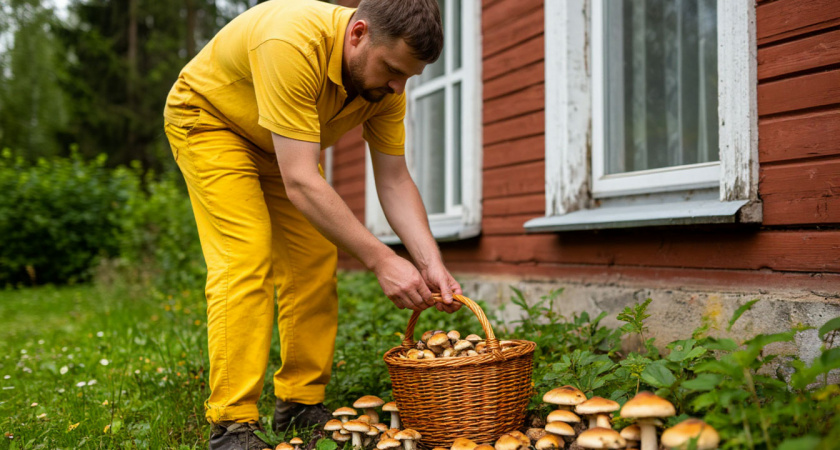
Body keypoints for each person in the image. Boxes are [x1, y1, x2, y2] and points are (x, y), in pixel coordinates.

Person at [163, 0, 462, 448]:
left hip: (280, 145)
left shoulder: (383, 89)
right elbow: (302, 181)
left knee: (314, 259)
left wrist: (430, 262)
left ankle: (299, 404)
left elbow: (396, 180)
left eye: (408, 77)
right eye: (393, 70)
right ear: (358, 34)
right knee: (245, 255)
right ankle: (231, 424)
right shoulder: (291, 41)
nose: (399, 87)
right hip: (212, 120)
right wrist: (383, 260)